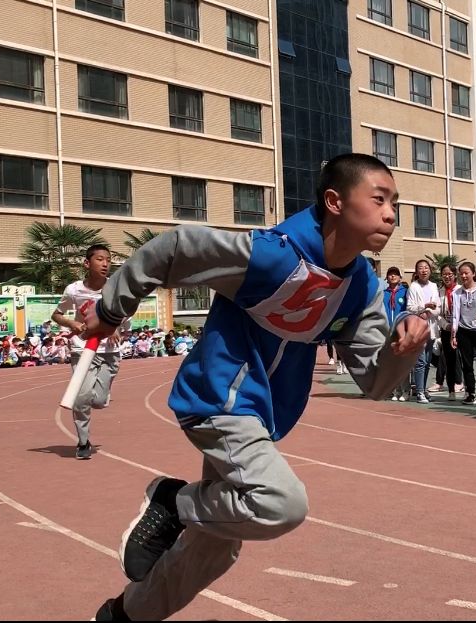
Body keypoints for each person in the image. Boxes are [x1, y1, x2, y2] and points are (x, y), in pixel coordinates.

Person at [84, 153, 429, 622]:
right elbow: (174, 249)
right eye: (379, 199)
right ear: (334, 201)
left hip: (262, 417)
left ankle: (121, 616)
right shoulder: (270, 255)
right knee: (279, 503)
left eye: (396, 204)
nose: (391, 214)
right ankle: (172, 501)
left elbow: (374, 380)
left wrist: (401, 349)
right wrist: (110, 310)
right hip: (218, 397)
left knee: (215, 548)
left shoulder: (361, 287)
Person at [52, 244, 122, 460]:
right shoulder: (74, 290)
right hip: (83, 349)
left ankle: (100, 393)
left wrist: (116, 327)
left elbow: (125, 313)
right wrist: (71, 323)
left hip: (109, 351)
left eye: (108, 260)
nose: (105, 264)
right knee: (81, 399)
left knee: (99, 401)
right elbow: (56, 314)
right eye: (100, 259)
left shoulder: (116, 287)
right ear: (87, 263)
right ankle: (83, 442)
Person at [451, 261, 476, 406]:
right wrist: (454, 335)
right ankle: (471, 393)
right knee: (467, 364)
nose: (464, 276)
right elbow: (455, 315)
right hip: (464, 331)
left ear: (473, 273)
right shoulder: (457, 293)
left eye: (467, 273)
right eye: (461, 273)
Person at [407, 259, 440, 403]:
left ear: (430, 271)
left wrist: (429, 311)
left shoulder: (434, 286)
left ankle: (423, 389)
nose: (424, 270)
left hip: (431, 329)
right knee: (420, 362)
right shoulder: (413, 287)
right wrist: (425, 306)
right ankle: (419, 391)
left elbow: (438, 308)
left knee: (427, 362)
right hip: (418, 329)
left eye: (426, 268)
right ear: (416, 271)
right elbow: (410, 308)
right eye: (420, 268)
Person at [382, 265, 410, 401]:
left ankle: (406, 390)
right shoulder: (384, 294)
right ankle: (394, 391)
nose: (392, 276)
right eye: (390, 274)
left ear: (399, 278)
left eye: (395, 274)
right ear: (387, 278)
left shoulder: (405, 292)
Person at [434, 263, 460, 399]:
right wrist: (446, 326)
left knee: (465, 361)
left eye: (450, 274)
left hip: (462, 329)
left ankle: (469, 390)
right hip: (447, 330)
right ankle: (451, 390)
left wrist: (457, 325)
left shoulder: (460, 290)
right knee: (449, 360)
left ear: (455, 275)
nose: (447, 276)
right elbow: (437, 313)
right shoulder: (439, 292)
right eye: (444, 274)